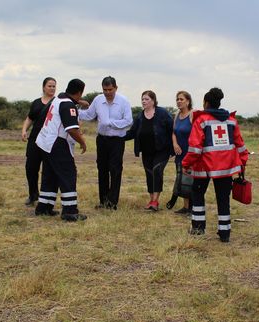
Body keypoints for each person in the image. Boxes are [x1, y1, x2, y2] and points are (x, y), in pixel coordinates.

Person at [182, 88, 248, 243]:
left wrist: (186, 164)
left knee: (198, 196)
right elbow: (240, 145)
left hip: (203, 167)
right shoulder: (231, 120)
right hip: (226, 168)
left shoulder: (202, 119)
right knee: (223, 198)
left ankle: (198, 229)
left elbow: (195, 148)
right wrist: (242, 163)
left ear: (206, 103)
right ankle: (225, 233)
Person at [34, 79, 87, 221]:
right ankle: (70, 211)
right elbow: (72, 130)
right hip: (57, 144)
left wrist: (79, 102)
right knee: (68, 175)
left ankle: (44, 207)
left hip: (45, 142)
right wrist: (82, 142)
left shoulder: (58, 99)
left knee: (49, 176)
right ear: (80, 92)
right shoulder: (68, 105)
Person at [78, 76, 133, 210]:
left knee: (115, 169)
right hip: (102, 139)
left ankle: (112, 202)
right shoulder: (98, 99)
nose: (107, 92)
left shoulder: (123, 101)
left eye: (110, 89)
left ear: (116, 88)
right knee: (102, 169)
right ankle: (103, 201)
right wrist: (74, 111)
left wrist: (111, 123)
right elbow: (89, 115)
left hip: (117, 140)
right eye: (105, 90)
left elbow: (128, 121)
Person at [125, 90, 173, 211]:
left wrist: (174, 146)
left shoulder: (163, 113)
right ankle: (151, 199)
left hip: (162, 150)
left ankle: (155, 201)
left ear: (153, 101)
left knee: (157, 171)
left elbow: (172, 130)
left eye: (146, 99)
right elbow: (132, 132)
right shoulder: (140, 116)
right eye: (142, 99)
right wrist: (117, 137)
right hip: (146, 151)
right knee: (149, 174)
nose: (144, 101)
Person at [21, 77, 57, 206]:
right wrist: (24, 130)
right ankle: (33, 194)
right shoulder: (36, 103)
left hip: (50, 140)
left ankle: (46, 197)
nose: (52, 88)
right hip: (35, 139)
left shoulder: (57, 102)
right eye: (49, 86)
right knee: (30, 168)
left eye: (54, 86)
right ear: (43, 87)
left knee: (48, 170)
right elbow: (30, 118)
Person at [166, 91, 194, 214]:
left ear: (188, 101)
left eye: (181, 99)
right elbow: (173, 132)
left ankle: (192, 208)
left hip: (190, 152)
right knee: (181, 179)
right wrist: (175, 144)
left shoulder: (193, 114)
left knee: (189, 181)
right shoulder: (177, 115)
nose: (178, 101)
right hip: (179, 152)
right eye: (177, 99)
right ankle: (185, 207)